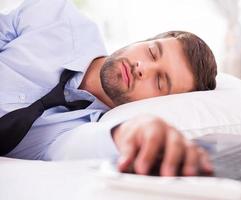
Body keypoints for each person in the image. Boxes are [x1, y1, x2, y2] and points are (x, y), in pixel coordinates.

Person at [0, 0, 217, 176]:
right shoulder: (57, 17)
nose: (142, 68)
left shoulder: (80, 130)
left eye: (160, 81)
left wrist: (128, 133)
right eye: (151, 52)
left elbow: (77, 148)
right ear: (142, 40)